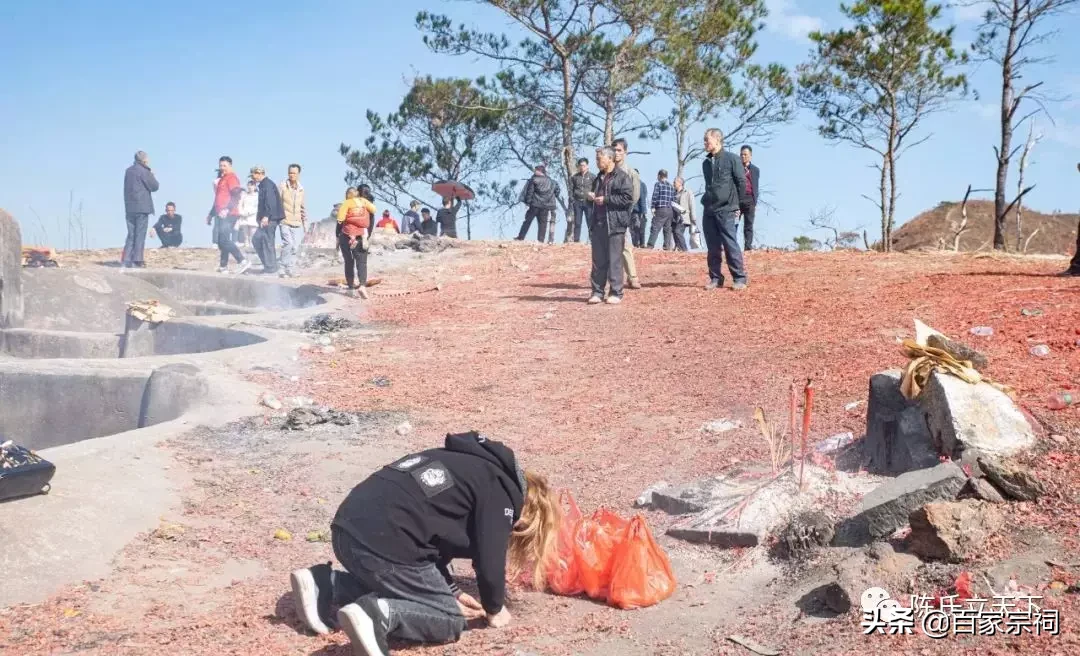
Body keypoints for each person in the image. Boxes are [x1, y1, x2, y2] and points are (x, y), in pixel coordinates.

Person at [289, 431, 558, 656]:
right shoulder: (502, 494)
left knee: (402, 584)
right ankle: (381, 615)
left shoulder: (466, 465)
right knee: (449, 619)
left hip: (347, 531)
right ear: (528, 511)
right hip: (386, 544)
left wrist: (451, 589)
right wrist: (494, 608)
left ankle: (325, 584)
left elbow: (432, 533)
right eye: (518, 529)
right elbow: (490, 559)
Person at [701, 128, 749, 290]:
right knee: (712, 246)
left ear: (717, 140)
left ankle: (739, 278)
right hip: (709, 209)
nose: (705, 143)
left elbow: (741, 182)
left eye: (707, 140)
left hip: (727, 209)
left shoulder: (732, 159)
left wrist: (737, 205)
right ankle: (715, 278)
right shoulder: (706, 163)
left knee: (730, 243)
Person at [587, 147, 635, 305]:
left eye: (599, 158)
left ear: (609, 158)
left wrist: (606, 199)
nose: (597, 162)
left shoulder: (622, 177)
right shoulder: (598, 178)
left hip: (615, 224)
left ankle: (616, 292)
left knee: (615, 259)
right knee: (598, 260)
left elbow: (627, 199)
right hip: (598, 223)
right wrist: (592, 197)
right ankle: (597, 292)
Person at [206, 156, 251, 274]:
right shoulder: (222, 179)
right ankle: (223, 266)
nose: (222, 168)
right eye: (220, 166)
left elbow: (237, 195)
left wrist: (227, 209)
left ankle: (242, 261)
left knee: (224, 240)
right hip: (220, 214)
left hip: (229, 213)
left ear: (230, 166)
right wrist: (211, 214)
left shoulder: (232, 178)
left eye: (224, 166)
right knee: (222, 241)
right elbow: (218, 199)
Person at [337, 186, 377, 298]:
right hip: (361, 236)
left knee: (348, 262)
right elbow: (371, 222)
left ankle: (350, 288)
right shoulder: (366, 205)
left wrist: (337, 236)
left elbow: (339, 221)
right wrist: (366, 236)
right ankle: (362, 286)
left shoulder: (347, 204)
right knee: (362, 262)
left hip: (346, 236)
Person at [611, 139, 641, 289]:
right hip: (607, 214)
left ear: (625, 152)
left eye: (619, 150)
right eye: (614, 150)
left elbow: (634, 196)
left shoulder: (631, 173)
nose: (616, 153)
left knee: (626, 245)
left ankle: (632, 276)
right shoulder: (607, 171)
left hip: (622, 214)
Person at [122, 150, 160, 268]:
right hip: (142, 207)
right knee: (140, 234)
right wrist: (152, 174)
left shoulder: (128, 171)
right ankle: (138, 259)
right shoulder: (144, 171)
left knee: (131, 233)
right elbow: (155, 186)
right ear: (144, 159)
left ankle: (126, 259)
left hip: (130, 207)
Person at [251, 165, 285, 274]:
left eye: (254, 175)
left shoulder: (267, 184)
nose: (253, 178)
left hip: (269, 218)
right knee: (257, 239)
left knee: (267, 242)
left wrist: (266, 216)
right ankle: (268, 265)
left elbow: (270, 202)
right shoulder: (263, 185)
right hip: (266, 218)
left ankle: (271, 268)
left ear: (259, 173)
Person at [515, 165, 560, 243]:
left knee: (527, 221)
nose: (534, 172)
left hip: (535, 205)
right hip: (546, 206)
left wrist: (527, 203)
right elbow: (557, 191)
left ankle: (520, 237)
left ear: (540, 171)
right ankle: (541, 240)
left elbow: (530, 192)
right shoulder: (552, 181)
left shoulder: (534, 180)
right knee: (543, 224)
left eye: (536, 170)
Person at [278, 163, 307, 278]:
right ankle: (282, 268)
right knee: (288, 244)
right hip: (284, 221)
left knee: (295, 247)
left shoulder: (301, 189)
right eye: (290, 172)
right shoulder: (282, 186)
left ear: (298, 174)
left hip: (297, 222)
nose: (291, 175)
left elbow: (302, 207)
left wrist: (305, 223)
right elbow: (277, 202)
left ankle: (290, 269)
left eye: (294, 173)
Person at [648, 170, 680, 251]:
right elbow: (673, 199)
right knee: (667, 229)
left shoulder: (658, 184)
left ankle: (650, 245)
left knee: (655, 227)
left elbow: (655, 196)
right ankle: (667, 247)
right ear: (666, 176)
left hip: (661, 209)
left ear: (659, 176)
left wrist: (652, 207)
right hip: (670, 210)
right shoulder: (671, 186)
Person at [566, 157, 594, 243]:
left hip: (588, 202)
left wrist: (593, 197)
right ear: (578, 166)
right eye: (580, 165)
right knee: (577, 222)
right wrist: (572, 200)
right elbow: (571, 189)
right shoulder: (575, 177)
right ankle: (576, 241)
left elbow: (596, 189)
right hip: (577, 202)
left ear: (587, 166)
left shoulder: (593, 177)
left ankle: (592, 240)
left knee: (590, 222)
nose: (582, 167)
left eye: (584, 165)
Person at [740, 145, 760, 251]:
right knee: (732, 224)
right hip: (737, 200)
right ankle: (730, 248)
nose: (743, 156)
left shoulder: (756, 170)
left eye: (745, 154)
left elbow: (756, 186)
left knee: (748, 225)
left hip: (750, 200)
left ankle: (747, 248)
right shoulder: (736, 168)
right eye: (741, 154)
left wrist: (755, 201)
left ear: (750, 156)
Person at [672, 177, 699, 251]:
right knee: (674, 232)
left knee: (678, 231)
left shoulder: (688, 192)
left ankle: (684, 250)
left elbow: (692, 205)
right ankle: (679, 248)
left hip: (684, 217)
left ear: (680, 183)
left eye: (675, 182)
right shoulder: (673, 193)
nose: (673, 184)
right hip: (674, 217)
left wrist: (693, 218)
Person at [237, 178, 259, 248]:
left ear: (255, 187)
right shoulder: (244, 195)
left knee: (252, 233)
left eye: (252, 185)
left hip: (253, 216)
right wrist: (241, 212)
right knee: (245, 234)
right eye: (249, 185)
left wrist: (249, 213)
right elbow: (240, 204)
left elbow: (257, 206)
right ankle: (246, 245)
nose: (250, 187)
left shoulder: (257, 196)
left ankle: (252, 246)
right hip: (244, 216)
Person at [633, 175, 648, 248]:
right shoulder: (642, 184)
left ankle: (638, 244)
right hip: (637, 210)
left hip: (637, 210)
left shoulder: (640, 184)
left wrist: (643, 211)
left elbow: (642, 198)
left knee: (637, 228)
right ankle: (639, 243)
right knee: (638, 228)